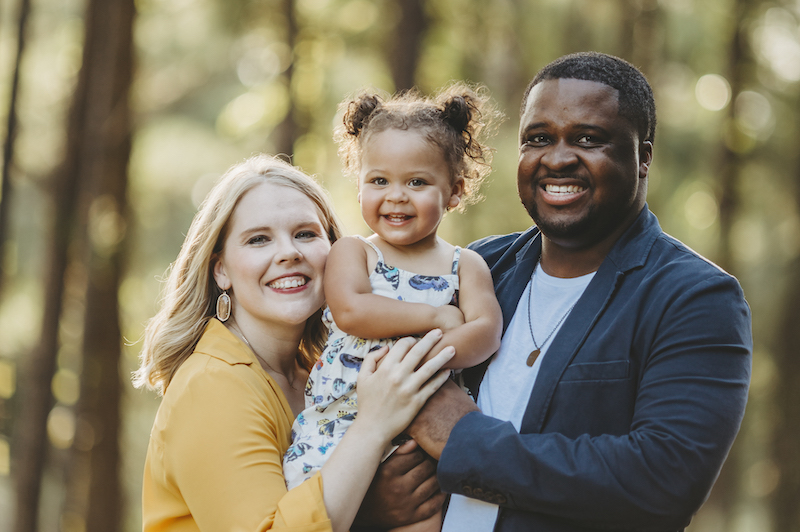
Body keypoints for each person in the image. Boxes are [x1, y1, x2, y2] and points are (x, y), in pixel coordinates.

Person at [396, 52, 752, 531]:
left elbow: (663, 479)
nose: (558, 158)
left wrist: (463, 438)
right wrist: (377, 501)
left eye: (589, 139)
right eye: (538, 139)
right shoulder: (477, 268)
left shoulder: (695, 298)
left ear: (643, 157)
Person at [133, 154, 455, 532]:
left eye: (305, 234)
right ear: (221, 270)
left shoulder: (323, 372)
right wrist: (373, 426)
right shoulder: (211, 383)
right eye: (258, 239)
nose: (289, 252)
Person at [283, 84, 504, 531]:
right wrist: (437, 318)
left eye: (417, 182)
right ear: (359, 182)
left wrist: (424, 364)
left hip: (425, 418)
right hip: (344, 419)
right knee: (323, 511)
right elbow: (353, 312)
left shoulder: (466, 264)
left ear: (455, 190)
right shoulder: (355, 253)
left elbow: (485, 332)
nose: (396, 196)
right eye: (379, 181)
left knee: (422, 510)